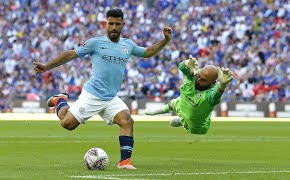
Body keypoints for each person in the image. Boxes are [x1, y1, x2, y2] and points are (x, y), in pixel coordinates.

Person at [33, 9, 172, 169]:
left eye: (117, 24)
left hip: (111, 97)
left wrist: (165, 40)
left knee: (127, 121)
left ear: (123, 25)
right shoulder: (95, 43)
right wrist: (46, 66)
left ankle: (124, 161)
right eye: (111, 23)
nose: (114, 27)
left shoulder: (128, 45)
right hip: (92, 94)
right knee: (67, 124)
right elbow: (71, 54)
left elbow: (148, 52)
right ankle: (60, 100)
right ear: (105, 24)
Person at [145, 55, 233, 134]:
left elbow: (216, 95)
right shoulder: (196, 75)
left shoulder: (210, 95)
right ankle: (163, 109)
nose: (198, 80)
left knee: (189, 114)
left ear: (213, 83)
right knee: (174, 103)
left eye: (203, 80)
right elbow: (181, 67)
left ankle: (182, 120)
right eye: (199, 76)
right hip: (182, 103)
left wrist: (222, 85)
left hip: (196, 123)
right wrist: (187, 62)